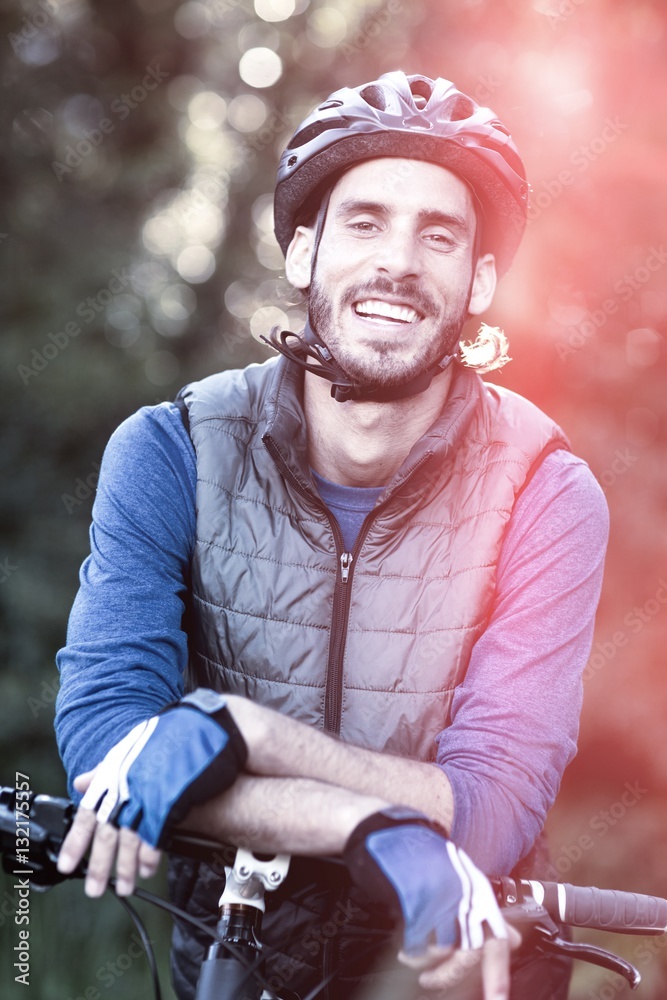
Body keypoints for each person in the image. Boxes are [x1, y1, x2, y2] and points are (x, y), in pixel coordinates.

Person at [54, 71, 609, 1000]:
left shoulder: (545, 490)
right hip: (229, 952)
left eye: (439, 234)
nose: (398, 261)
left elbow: (489, 810)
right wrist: (370, 827)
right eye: (365, 221)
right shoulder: (171, 449)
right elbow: (113, 752)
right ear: (303, 253)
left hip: (449, 968)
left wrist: (237, 731)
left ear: (477, 282)